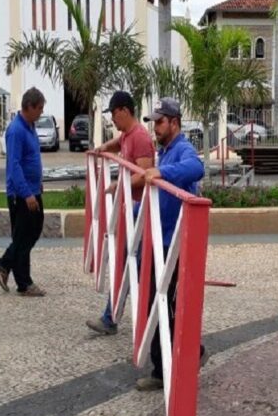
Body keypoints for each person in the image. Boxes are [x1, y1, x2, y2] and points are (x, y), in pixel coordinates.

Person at [133, 97, 206, 392]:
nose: (155, 128)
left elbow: (196, 168)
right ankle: (173, 361)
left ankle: (172, 366)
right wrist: (133, 215)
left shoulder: (182, 150)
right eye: (153, 122)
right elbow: (159, 200)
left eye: (160, 122)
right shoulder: (165, 151)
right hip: (158, 241)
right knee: (156, 303)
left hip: (172, 245)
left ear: (175, 123)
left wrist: (163, 172)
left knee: (164, 304)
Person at [86, 91, 156, 335]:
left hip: (140, 212)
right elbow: (119, 142)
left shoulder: (141, 138)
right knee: (129, 266)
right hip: (130, 212)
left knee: (130, 265)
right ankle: (117, 317)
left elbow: (145, 173)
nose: (113, 121)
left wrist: (120, 184)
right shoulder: (128, 135)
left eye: (114, 115)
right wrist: (104, 147)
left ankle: (114, 318)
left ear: (124, 111)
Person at [0, 88, 46, 297]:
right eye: (39, 108)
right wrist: (26, 193)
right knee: (25, 235)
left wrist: (37, 184)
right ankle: (6, 266)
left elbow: (31, 159)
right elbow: (14, 165)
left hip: (32, 189)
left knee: (29, 233)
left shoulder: (30, 126)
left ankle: (20, 279)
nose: (41, 112)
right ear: (29, 107)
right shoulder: (16, 130)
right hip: (21, 194)